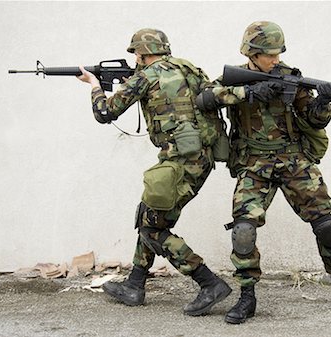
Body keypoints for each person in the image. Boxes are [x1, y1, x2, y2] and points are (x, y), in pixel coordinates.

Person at [195, 21, 331, 324]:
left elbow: (314, 121)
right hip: (253, 164)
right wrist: (249, 94)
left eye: (278, 53)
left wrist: (324, 101)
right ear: (251, 53)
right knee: (243, 230)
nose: (275, 60)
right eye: (269, 55)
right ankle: (247, 295)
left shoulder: (292, 79)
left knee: (326, 224)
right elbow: (204, 99)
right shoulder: (232, 78)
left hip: (293, 160)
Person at [77, 28, 231, 316]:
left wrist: (94, 85)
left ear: (140, 53)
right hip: (202, 159)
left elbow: (104, 113)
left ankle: (208, 282)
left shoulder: (145, 77)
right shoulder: (190, 69)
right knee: (148, 212)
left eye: (136, 54)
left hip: (179, 162)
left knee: (152, 226)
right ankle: (135, 285)